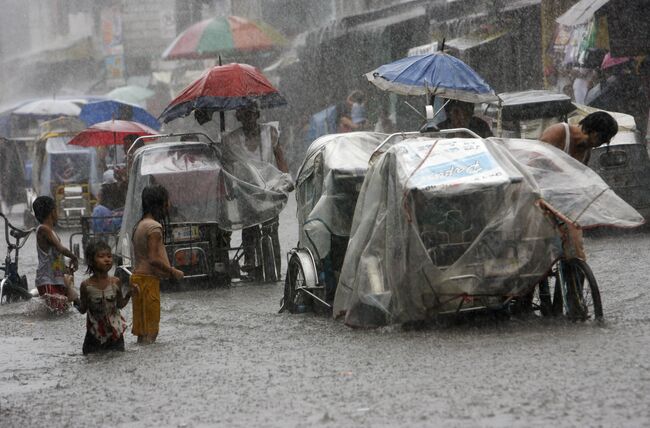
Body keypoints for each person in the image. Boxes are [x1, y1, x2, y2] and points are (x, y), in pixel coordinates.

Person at [225, 103, 288, 275]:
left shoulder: (270, 133)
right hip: (245, 188)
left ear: (257, 115)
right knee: (249, 226)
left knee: (271, 228)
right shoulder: (232, 139)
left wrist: (285, 179)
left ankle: (275, 264)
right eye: (244, 115)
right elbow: (228, 165)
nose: (248, 119)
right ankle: (250, 261)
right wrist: (229, 185)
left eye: (251, 114)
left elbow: (280, 157)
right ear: (239, 117)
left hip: (269, 187)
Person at [130, 185, 184, 344]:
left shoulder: (140, 225)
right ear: (160, 203)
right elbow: (153, 258)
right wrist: (173, 271)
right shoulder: (154, 228)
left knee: (142, 332)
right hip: (148, 281)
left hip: (136, 280)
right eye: (167, 201)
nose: (169, 205)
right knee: (151, 332)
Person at [77, 240, 131, 355]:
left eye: (109, 256)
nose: (107, 259)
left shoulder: (116, 282)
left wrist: (130, 294)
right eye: (101, 256)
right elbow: (83, 309)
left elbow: (120, 304)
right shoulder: (86, 285)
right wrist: (74, 300)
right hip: (94, 335)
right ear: (91, 261)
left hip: (115, 334)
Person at [32, 196, 79, 311]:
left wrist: (65, 269)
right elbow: (60, 249)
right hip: (47, 280)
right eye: (57, 210)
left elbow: (55, 259)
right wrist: (74, 257)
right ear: (53, 212)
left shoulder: (51, 232)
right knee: (55, 312)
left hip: (56, 279)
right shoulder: (43, 229)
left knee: (63, 310)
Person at [540, 111, 618, 165]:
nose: (604, 142)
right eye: (604, 138)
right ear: (594, 132)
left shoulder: (587, 151)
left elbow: (580, 179)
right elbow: (535, 162)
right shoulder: (559, 132)